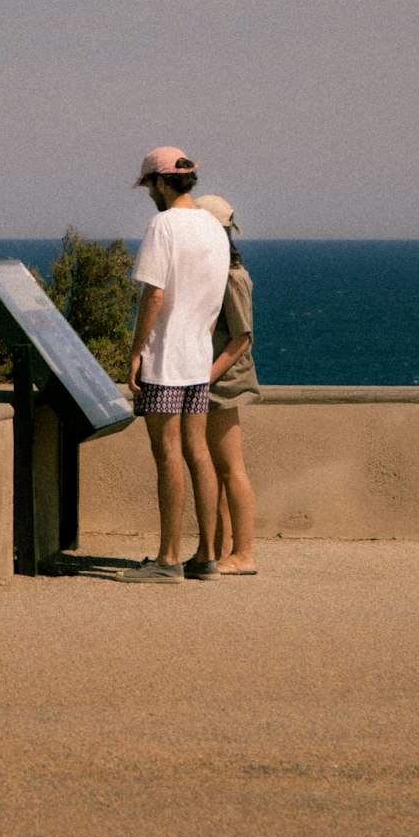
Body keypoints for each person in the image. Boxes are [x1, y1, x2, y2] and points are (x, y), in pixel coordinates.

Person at [118, 147, 231, 583]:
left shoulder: (162, 225)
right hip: (198, 358)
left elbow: (155, 295)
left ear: (162, 183)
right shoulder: (214, 228)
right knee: (198, 452)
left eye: (149, 185)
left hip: (165, 358)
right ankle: (207, 556)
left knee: (167, 455)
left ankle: (168, 559)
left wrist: (136, 350)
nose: (149, 192)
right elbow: (215, 301)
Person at [195, 195, 260, 575]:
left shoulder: (233, 279)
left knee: (231, 468)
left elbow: (241, 338)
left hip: (223, 382)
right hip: (215, 379)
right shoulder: (218, 273)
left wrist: (205, 377)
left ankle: (244, 553)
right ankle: (220, 551)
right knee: (217, 468)